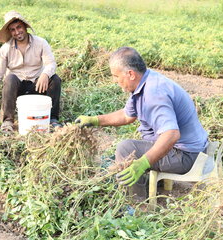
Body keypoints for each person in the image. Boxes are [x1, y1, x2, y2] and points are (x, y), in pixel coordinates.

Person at [75, 47, 208, 200]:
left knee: (126, 148)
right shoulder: (145, 81)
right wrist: (95, 120)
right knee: (132, 149)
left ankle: (136, 204)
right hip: (190, 149)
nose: (114, 81)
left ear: (130, 74)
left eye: (116, 76)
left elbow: (171, 134)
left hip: (185, 155)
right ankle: (144, 183)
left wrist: (143, 163)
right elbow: (126, 116)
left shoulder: (154, 94)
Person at [0, 10, 61, 132]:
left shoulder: (41, 43)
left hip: (37, 86)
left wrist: (45, 74)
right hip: (17, 89)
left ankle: (52, 119)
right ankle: (8, 121)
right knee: (10, 78)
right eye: (12, 30)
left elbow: (51, 63)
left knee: (55, 79)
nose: (17, 32)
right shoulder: (5, 49)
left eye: (19, 27)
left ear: (25, 27)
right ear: (10, 32)